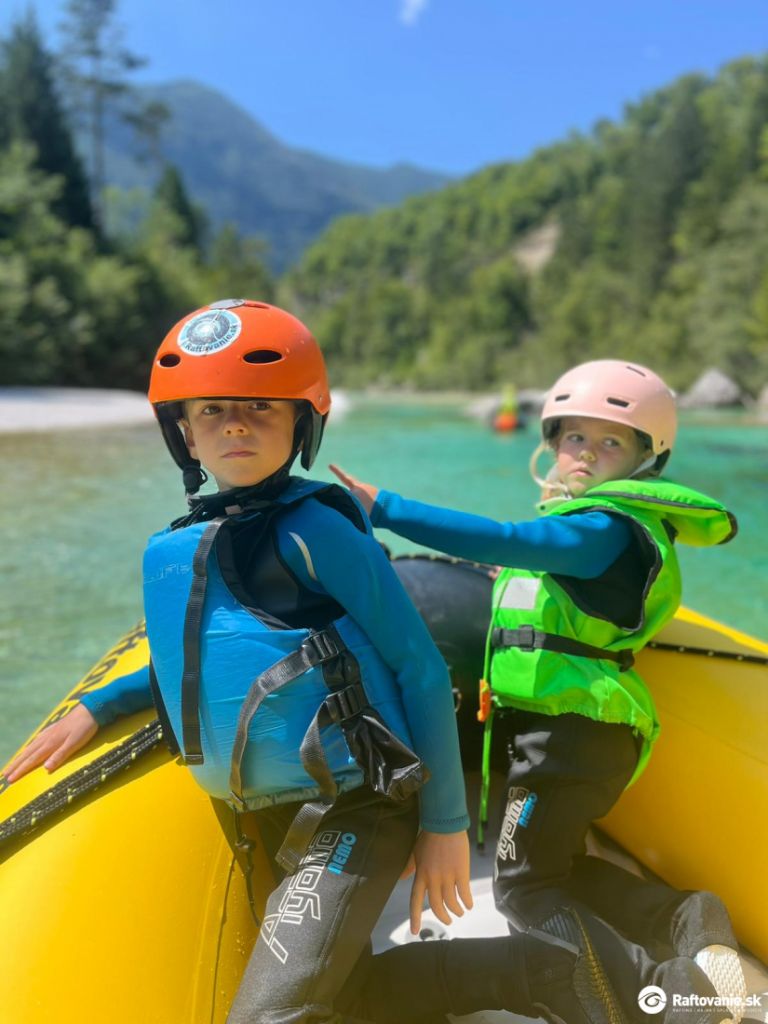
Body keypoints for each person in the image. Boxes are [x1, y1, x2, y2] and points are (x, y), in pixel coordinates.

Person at [3, 300, 606, 1024]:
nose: (235, 424)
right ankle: (547, 973)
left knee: (270, 1016)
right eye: (213, 409)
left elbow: (417, 665)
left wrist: (444, 826)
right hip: (268, 809)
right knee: (351, 1000)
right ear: (184, 432)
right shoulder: (184, 546)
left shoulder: (316, 529)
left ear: (301, 421)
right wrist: (101, 704)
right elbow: (196, 663)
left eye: (260, 406)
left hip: (363, 797)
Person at [331, 359, 753, 1024]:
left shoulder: (604, 530)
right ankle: (683, 918)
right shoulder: (601, 530)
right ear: (551, 440)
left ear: (647, 458)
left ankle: (672, 1000)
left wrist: (384, 508)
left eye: (610, 441)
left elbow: (509, 539)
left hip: (569, 737)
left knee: (524, 892)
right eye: (573, 437)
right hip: (572, 734)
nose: (585, 454)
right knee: (546, 868)